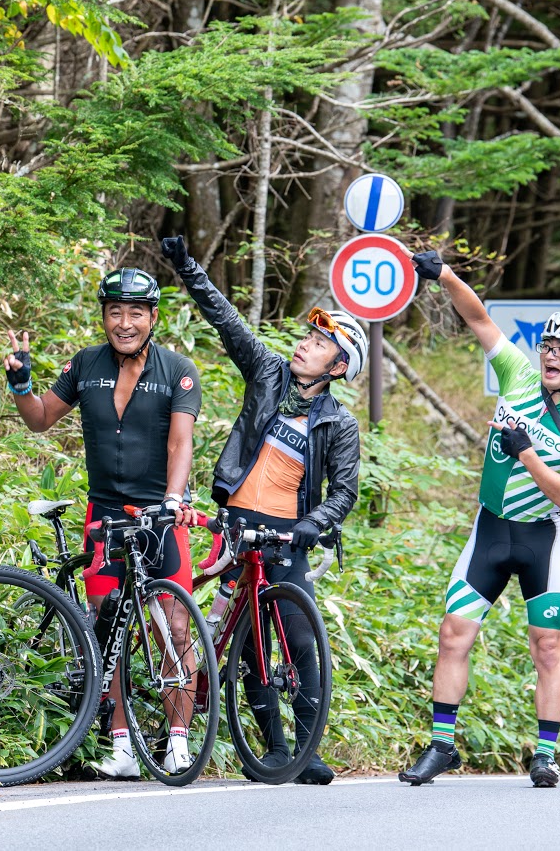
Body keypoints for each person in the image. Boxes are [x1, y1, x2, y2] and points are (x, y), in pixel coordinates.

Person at [398, 250, 560, 790]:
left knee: (547, 645)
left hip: (543, 538)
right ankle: (442, 746)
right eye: (548, 346)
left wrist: (526, 453)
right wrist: (443, 273)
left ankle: (544, 754)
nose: (551, 356)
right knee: (453, 634)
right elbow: (478, 318)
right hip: (491, 530)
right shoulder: (516, 374)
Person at [159, 235, 364, 786]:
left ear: (340, 367)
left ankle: (306, 749)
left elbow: (344, 493)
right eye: (307, 337)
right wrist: (187, 266)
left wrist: (310, 527)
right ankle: (271, 747)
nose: (303, 345)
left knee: (298, 639)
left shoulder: (339, 424)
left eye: (319, 345)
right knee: (246, 643)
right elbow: (227, 322)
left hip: (287, 536)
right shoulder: (269, 375)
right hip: (235, 527)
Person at [3, 266, 203, 779]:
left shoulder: (177, 369)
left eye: (136, 312)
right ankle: (120, 744)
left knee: (175, 627)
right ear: (105, 317)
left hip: (159, 513)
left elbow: (181, 442)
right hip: (105, 515)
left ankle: (177, 740)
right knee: (103, 627)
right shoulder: (85, 365)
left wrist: (173, 497)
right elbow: (40, 418)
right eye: (115, 312)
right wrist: (21, 382)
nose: (125, 322)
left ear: (153, 317)